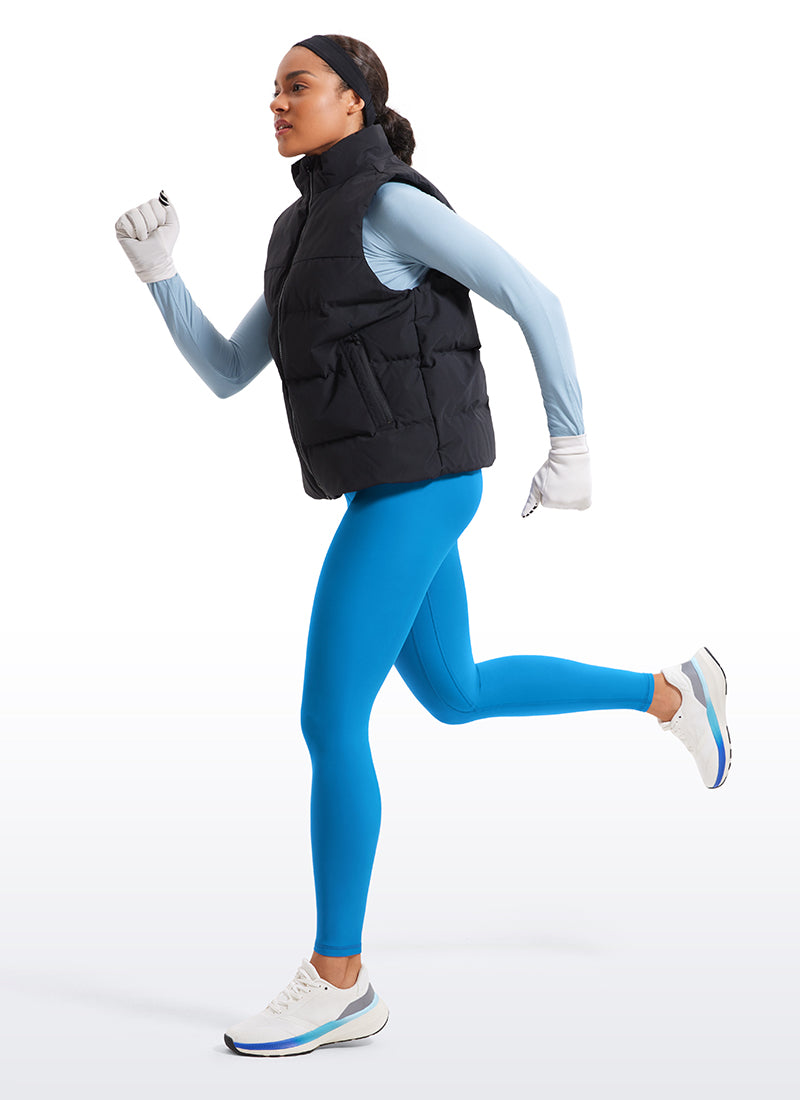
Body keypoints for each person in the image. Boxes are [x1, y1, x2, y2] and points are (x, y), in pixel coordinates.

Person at [115, 33, 732, 1058]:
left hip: (421, 487)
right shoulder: (299, 228)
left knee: (328, 719)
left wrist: (571, 441)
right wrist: (160, 276)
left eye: (298, 86)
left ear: (354, 102)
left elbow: (534, 296)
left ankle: (339, 980)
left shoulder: (390, 206)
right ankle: (674, 694)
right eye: (272, 89)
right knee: (455, 690)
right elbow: (228, 370)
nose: (277, 103)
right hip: (397, 482)